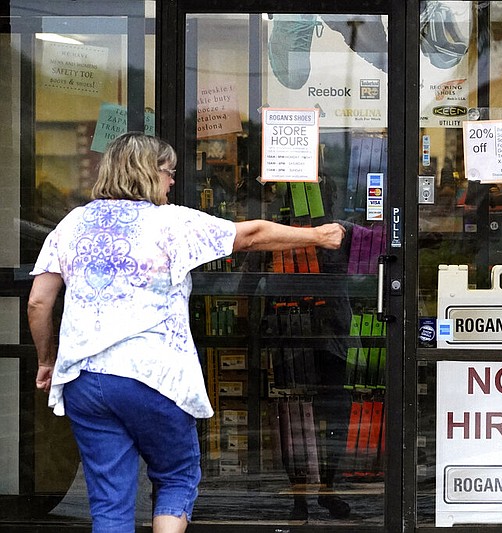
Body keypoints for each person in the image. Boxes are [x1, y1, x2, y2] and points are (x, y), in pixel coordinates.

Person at [27, 132, 346, 533]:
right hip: (153, 377)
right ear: (146, 173)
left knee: (110, 503)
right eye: (168, 172)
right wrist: (318, 235)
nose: (173, 181)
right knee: (176, 476)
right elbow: (249, 236)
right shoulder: (170, 222)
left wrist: (46, 360)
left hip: (86, 381)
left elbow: (39, 301)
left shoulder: (73, 223)